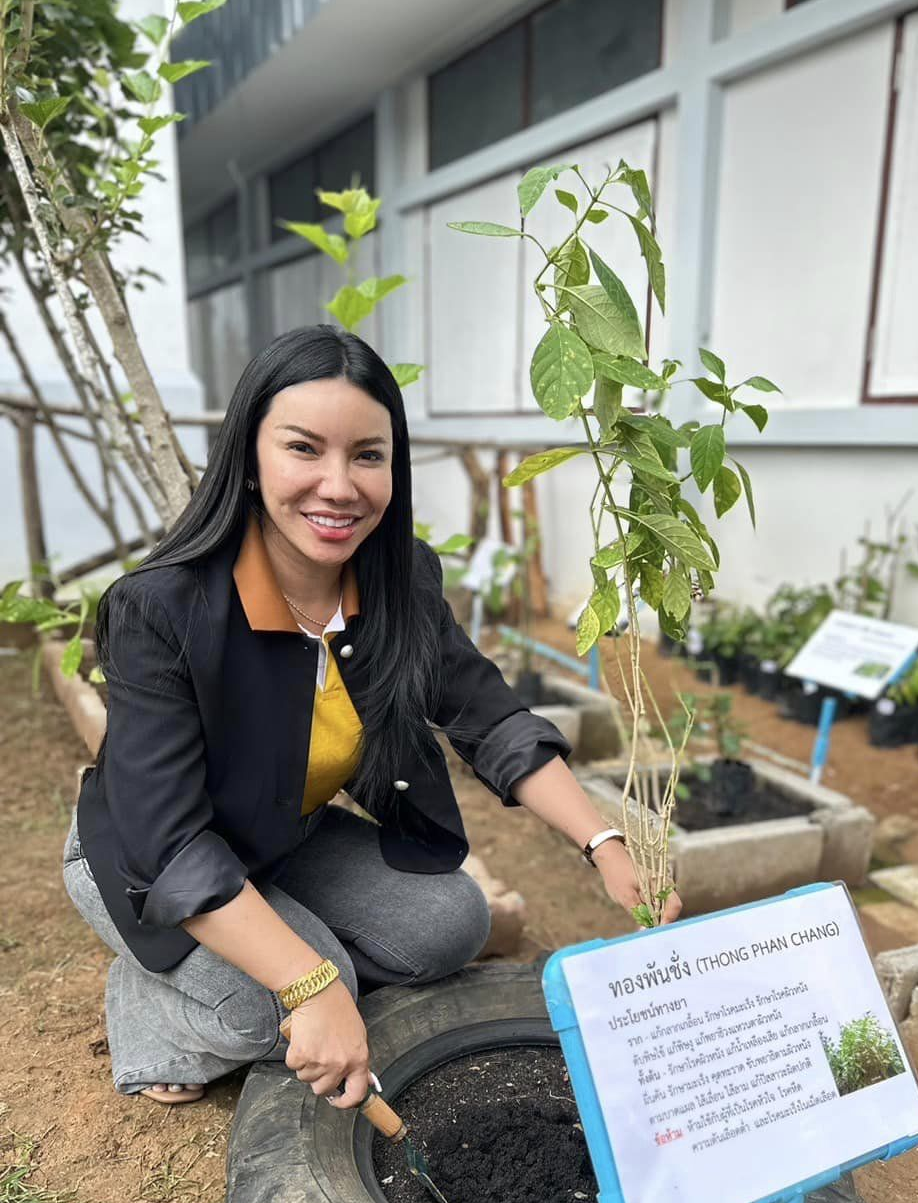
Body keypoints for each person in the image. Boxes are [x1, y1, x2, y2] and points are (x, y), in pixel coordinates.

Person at [63, 326, 681, 1109]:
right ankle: (152, 1005)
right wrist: (312, 982)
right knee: (275, 1003)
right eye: (303, 449)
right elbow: (169, 844)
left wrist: (604, 843)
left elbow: (487, 716)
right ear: (250, 459)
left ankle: (254, 951)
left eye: (366, 455)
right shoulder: (161, 609)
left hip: (284, 832)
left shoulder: (398, 580)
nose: (339, 485)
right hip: (145, 859)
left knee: (452, 920)